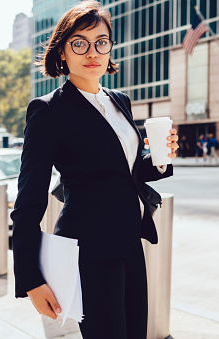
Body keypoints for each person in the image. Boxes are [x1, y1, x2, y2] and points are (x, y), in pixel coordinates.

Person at [10, 2, 179, 338]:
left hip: (132, 242)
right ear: (62, 51)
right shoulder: (48, 111)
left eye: (101, 42)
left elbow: (123, 172)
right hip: (89, 250)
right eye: (80, 42)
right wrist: (31, 279)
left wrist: (161, 158)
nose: (92, 52)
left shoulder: (120, 100)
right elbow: (28, 200)